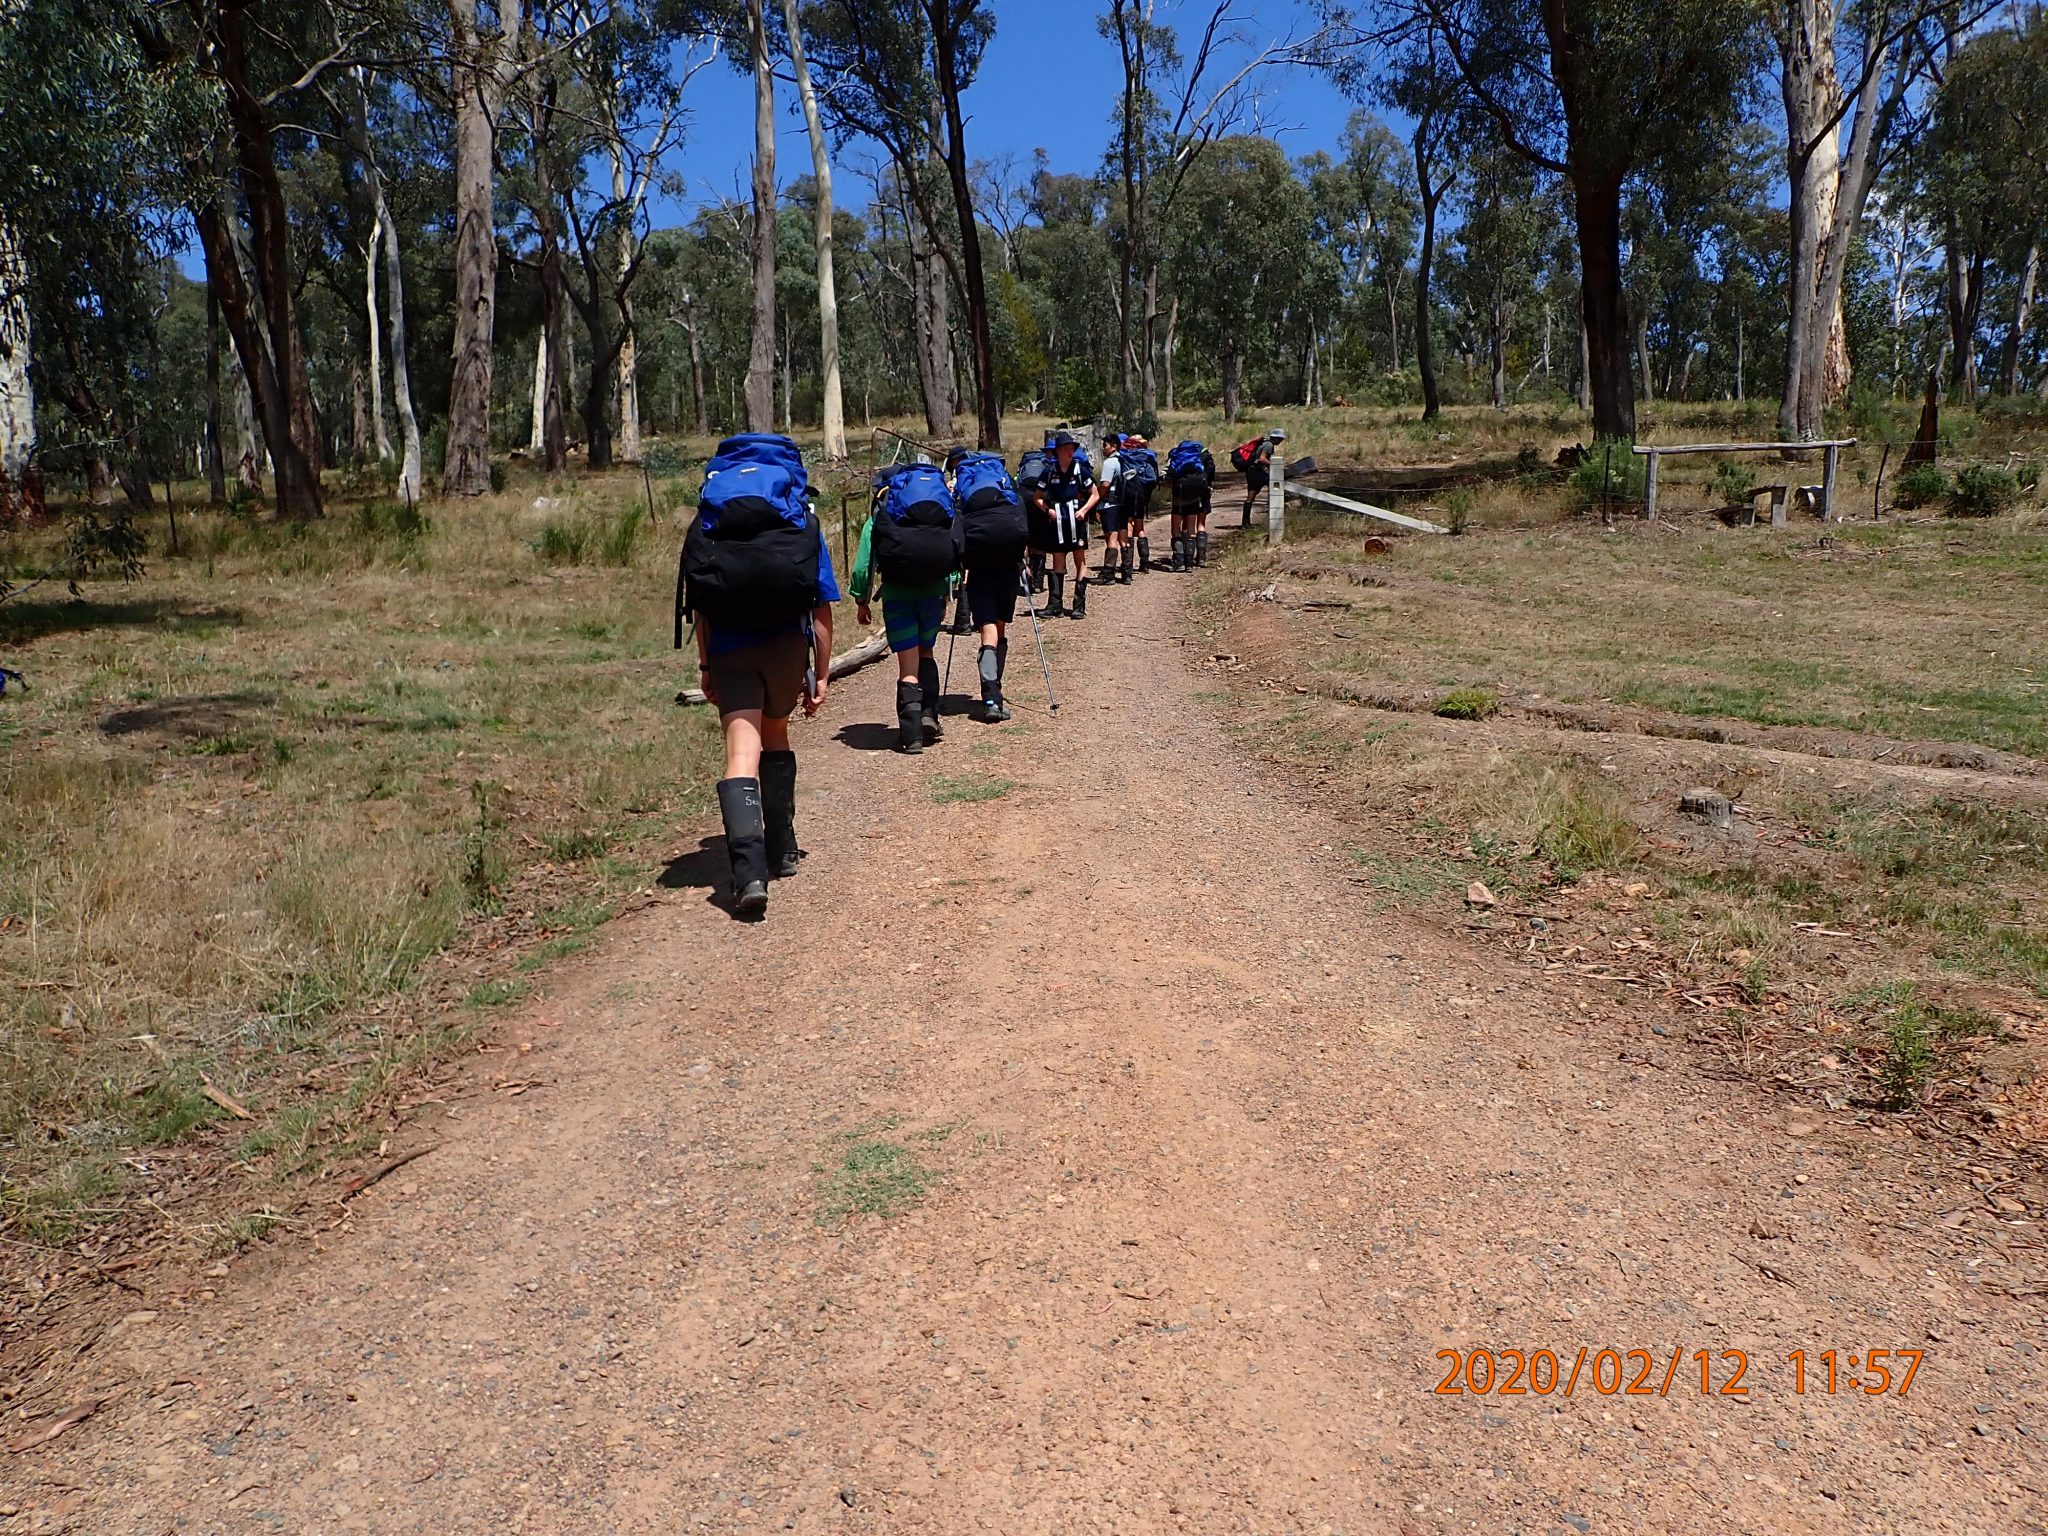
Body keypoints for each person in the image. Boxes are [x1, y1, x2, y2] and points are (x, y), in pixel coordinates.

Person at [681, 433, 837, 918]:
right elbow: (821, 609)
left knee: (740, 754)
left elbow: (701, 609)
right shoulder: (799, 518)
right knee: (777, 732)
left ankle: (748, 875)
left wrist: (707, 666)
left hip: (729, 649)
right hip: (785, 647)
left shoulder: (709, 521)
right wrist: (822, 674)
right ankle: (783, 847)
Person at [853, 461, 961, 753]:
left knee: (907, 663)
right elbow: (954, 544)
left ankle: (911, 734)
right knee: (926, 652)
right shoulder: (939, 506)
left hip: (898, 594)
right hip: (934, 592)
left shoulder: (883, 511)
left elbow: (864, 565)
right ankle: (929, 715)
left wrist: (861, 599)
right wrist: (949, 587)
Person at [947, 447, 1030, 722]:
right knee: (999, 628)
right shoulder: (1007, 487)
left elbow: (956, 533)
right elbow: (1022, 526)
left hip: (978, 568)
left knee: (987, 631)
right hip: (1008, 566)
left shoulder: (963, 492)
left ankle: (991, 696)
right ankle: (996, 692)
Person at [1033, 430, 1098, 619]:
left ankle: (1079, 605)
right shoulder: (1049, 472)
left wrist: (1084, 511)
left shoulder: (1080, 470)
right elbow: (1036, 497)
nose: (1070, 452)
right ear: (1058, 451)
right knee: (1058, 562)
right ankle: (1055, 604)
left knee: (1080, 560)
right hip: (1057, 522)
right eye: (1066, 449)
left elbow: (1095, 494)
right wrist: (1048, 510)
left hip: (1076, 521)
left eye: (1072, 449)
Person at [1167, 438, 1216, 571]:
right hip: (1198, 496)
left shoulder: (1177, 457)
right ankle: (1194, 561)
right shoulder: (1202, 457)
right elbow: (1211, 475)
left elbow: (1169, 478)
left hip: (1179, 497)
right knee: (1194, 528)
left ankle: (1179, 561)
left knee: (1176, 528)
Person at [1119, 435, 1162, 576]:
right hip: (1142, 493)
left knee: (1129, 525)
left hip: (1128, 492)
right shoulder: (1148, 456)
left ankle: (1127, 566)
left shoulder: (1124, 455)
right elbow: (1154, 478)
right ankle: (1145, 563)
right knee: (1140, 527)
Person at [1094, 428, 1130, 584]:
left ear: (1114, 446)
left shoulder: (1110, 463)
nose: (1104, 448)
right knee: (1124, 538)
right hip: (1124, 504)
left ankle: (1108, 574)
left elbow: (1105, 485)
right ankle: (1127, 573)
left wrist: (1096, 500)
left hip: (1110, 505)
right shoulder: (1125, 460)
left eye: (1106, 445)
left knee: (1111, 538)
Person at [1234, 432, 1275, 527]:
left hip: (1251, 471)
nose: (1281, 441)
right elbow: (1262, 459)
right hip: (1257, 471)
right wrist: (1276, 466)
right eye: (1280, 439)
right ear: (1276, 438)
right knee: (1276, 486)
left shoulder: (1264, 443)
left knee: (1251, 496)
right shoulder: (1269, 445)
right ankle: (1274, 516)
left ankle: (1245, 523)